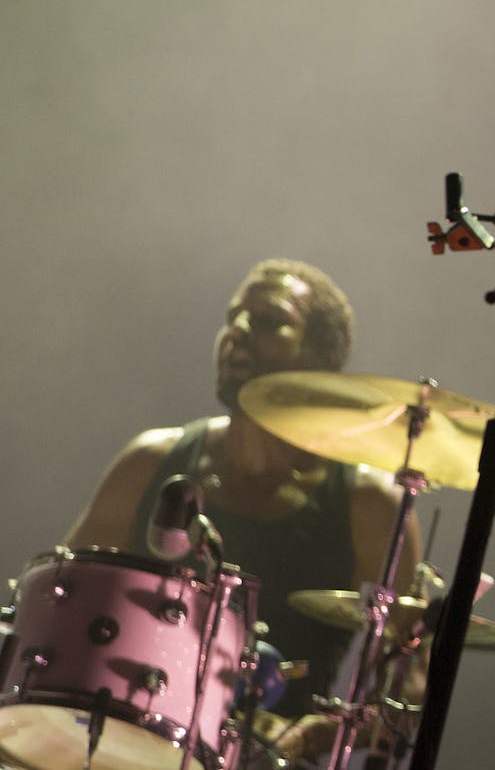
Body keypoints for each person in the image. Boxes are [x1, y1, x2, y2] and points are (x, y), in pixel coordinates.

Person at [63, 257, 422, 764]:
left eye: (270, 321)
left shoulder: (371, 504)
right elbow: (58, 605)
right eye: (233, 317)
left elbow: (410, 685)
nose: (237, 333)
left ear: (322, 359)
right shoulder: (151, 461)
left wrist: (316, 734)